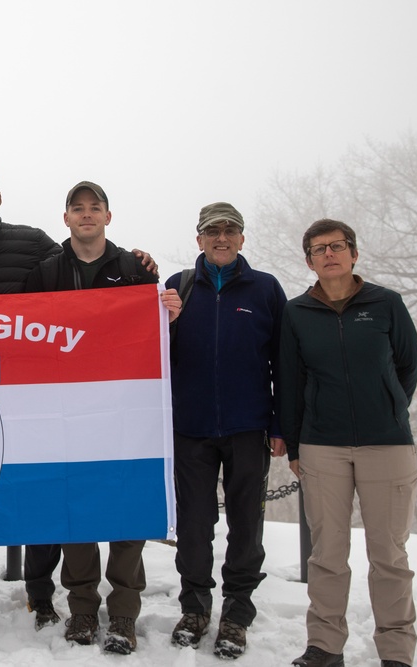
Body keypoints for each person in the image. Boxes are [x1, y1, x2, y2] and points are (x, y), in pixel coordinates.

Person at [0, 166, 157, 634]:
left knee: (42, 493)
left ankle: (42, 595)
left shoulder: (35, 246)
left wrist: (141, 263)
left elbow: (82, 264)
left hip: (34, 392)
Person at [25, 181, 181, 655]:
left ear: (108, 217)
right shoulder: (46, 272)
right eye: (78, 208)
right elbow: (24, 338)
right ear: (66, 218)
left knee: (127, 512)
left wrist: (168, 313)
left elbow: (152, 334)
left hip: (124, 412)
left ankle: (124, 614)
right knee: (77, 512)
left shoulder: (133, 268)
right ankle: (83, 610)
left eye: (96, 208)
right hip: (67, 414)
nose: (87, 215)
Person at [282, 219, 417, 667]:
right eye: (318, 249)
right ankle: (324, 647)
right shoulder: (297, 312)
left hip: (388, 446)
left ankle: (396, 651)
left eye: (337, 246)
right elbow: (290, 379)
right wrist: (298, 447)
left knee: (389, 556)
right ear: (309, 261)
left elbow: (407, 364)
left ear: (353, 253)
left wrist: (391, 409)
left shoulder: (386, 304)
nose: (329, 254)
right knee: (327, 555)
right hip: (323, 446)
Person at [163, 202, 287, 659]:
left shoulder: (265, 289)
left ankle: (237, 613)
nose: (221, 238)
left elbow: (283, 363)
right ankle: (194, 607)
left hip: (247, 425)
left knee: (247, 526)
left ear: (241, 238)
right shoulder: (179, 288)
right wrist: (168, 321)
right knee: (195, 526)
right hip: (190, 427)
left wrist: (279, 423)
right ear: (198, 240)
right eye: (211, 231)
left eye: (229, 230)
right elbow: (157, 355)